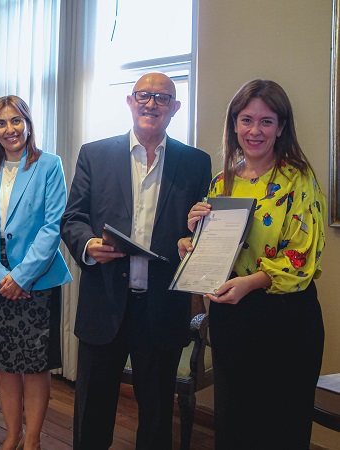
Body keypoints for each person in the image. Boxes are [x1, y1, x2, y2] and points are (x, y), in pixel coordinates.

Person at [61, 72, 212, 450]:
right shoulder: (94, 154)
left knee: (158, 417)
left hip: (162, 307)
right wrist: (88, 245)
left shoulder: (195, 163)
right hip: (104, 303)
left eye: (162, 99)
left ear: (175, 108)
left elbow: (201, 230)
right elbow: (72, 219)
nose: (151, 104)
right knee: (92, 413)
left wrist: (191, 239)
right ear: (129, 101)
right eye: (144, 96)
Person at [178, 79, 326, 450]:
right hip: (232, 319)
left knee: (281, 426)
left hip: (286, 320)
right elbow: (217, 252)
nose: (254, 131)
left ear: (281, 127)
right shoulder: (221, 182)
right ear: (233, 124)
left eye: (266, 121)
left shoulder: (299, 179)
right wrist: (192, 240)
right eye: (246, 120)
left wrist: (251, 282)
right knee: (234, 424)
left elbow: (302, 258)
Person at [0, 95, 72, 450]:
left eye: (15, 121)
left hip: (36, 279)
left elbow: (53, 225)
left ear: (27, 124)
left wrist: (21, 277)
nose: (9, 129)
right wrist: (0, 277)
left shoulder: (49, 165)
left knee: (34, 364)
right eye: (0, 123)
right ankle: (11, 434)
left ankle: (34, 439)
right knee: (4, 363)